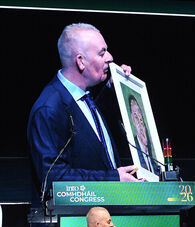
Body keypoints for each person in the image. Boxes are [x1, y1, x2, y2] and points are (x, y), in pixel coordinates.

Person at [28, 23, 141, 204]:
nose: (110, 58)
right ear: (81, 61)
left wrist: (116, 86)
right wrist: (113, 179)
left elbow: (86, 128)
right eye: (101, 53)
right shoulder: (49, 109)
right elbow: (54, 178)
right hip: (75, 226)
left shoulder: (82, 97)